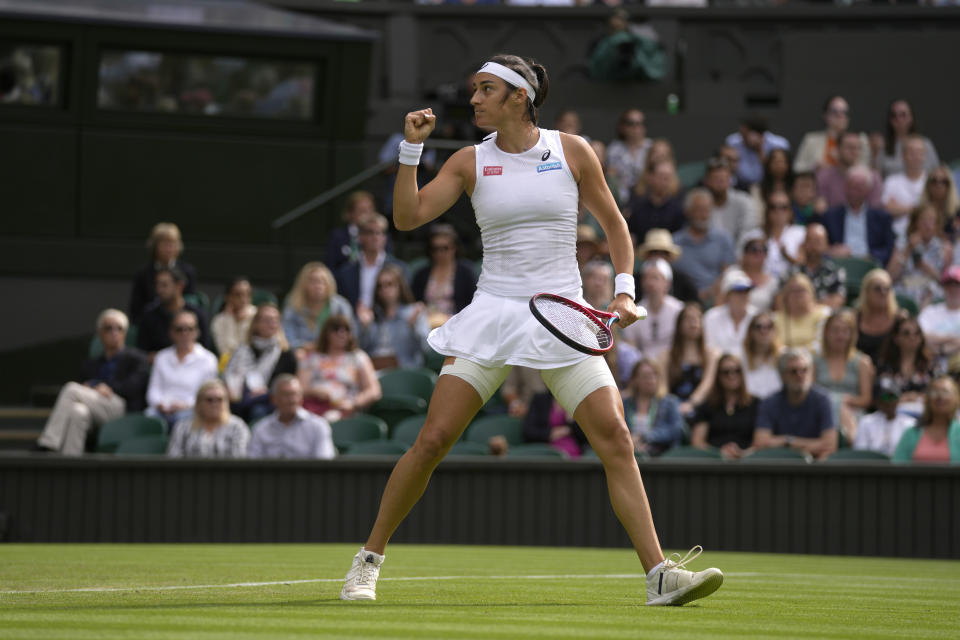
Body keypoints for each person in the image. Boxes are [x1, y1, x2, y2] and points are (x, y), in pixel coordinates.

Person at [340, 54, 723, 606]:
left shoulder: (572, 151)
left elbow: (615, 224)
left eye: (485, 89)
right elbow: (406, 218)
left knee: (615, 438)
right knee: (432, 440)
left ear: (519, 97)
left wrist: (624, 290)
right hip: (494, 312)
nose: (473, 99)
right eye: (474, 90)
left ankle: (659, 574)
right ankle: (368, 560)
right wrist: (411, 150)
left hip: (562, 316)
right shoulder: (469, 161)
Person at [35, 309, 149, 455]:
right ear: (100, 333)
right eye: (109, 328)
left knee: (71, 389)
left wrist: (106, 387)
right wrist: (94, 387)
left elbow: (133, 387)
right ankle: (70, 464)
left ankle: (48, 442)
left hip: (121, 407)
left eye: (119, 328)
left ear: (125, 333)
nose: (114, 332)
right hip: (95, 410)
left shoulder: (137, 358)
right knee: (78, 411)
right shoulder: (91, 363)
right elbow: (84, 386)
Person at [752, 348, 837, 460]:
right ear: (782, 376)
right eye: (793, 371)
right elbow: (760, 443)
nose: (800, 375)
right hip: (778, 465)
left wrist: (787, 441)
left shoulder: (823, 400)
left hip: (814, 467)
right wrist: (811, 445)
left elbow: (830, 446)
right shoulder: (769, 402)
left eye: (804, 370)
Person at [223, 303, 298, 423]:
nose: (272, 324)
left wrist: (267, 392)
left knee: (258, 411)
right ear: (256, 324)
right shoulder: (242, 350)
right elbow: (229, 375)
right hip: (238, 398)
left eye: (275, 320)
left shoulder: (286, 354)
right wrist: (233, 390)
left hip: (269, 403)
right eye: (267, 320)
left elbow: (288, 383)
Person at [299, 315, 381, 422]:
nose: (341, 334)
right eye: (336, 329)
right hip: (314, 408)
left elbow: (374, 391)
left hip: (345, 411)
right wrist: (314, 392)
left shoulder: (358, 357)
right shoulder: (312, 358)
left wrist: (353, 403)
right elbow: (300, 388)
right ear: (326, 333)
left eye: (346, 330)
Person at [145, 310, 219, 428]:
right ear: (171, 333)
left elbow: (207, 394)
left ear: (197, 332)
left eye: (189, 329)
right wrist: (161, 404)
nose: (185, 333)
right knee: (149, 416)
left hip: (191, 410)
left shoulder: (208, 359)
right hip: (162, 410)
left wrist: (185, 406)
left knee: (184, 420)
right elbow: (153, 390)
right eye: (179, 329)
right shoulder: (161, 357)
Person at [812, 310, 875, 443]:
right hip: (821, 413)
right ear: (826, 333)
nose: (840, 336)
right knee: (832, 402)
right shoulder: (815, 361)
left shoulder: (862, 362)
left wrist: (846, 401)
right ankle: (851, 440)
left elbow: (866, 399)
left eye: (845, 331)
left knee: (838, 403)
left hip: (853, 412)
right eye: (835, 331)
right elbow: (810, 394)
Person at [357, 264, 431, 370]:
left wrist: (414, 327)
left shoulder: (414, 312)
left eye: (389, 284)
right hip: (375, 372)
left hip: (405, 371)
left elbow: (426, 349)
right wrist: (364, 328)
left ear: (400, 286)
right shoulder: (371, 316)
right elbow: (360, 350)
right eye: (380, 286)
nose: (384, 289)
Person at [820, 166, 896, 268]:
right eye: (851, 187)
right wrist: (831, 251)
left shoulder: (881, 218)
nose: (854, 192)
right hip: (839, 265)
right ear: (845, 187)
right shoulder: (830, 216)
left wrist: (871, 256)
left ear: (868, 190)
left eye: (859, 188)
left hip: (870, 266)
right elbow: (820, 248)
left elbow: (888, 248)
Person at [247, 374, 336, 459]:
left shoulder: (318, 426)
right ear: (273, 399)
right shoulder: (261, 429)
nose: (292, 400)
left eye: (296, 394)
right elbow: (252, 465)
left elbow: (324, 464)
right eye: (286, 395)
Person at [672, 188, 736, 304]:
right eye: (699, 210)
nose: (703, 215)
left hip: (716, 297)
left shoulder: (723, 239)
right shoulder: (674, 243)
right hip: (682, 299)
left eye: (707, 210)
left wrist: (710, 292)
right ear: (688, 212)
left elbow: (728, 272)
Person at [690, 354, 758, 460]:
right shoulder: (707, 406)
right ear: (718, 376)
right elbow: (697, 442)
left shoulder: (756, 404)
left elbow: (762, 441)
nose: (732, 375)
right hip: (713, 462)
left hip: (749, 462)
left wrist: (743, 453)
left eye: (737, 371)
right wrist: (718, 453)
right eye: (726, 372)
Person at [335, 212, 406, 312]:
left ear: (385, 238)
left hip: (391, 323)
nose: (375, 237)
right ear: (360, 237)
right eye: (370, 232)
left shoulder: (400, 268)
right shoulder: (346, 271)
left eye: (379, 232)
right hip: (355, 322)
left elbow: (405, 301)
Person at [410, 224, 478, 329]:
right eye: (435, 248)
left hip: (457, 325)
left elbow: (473, 303)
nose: (440, 253)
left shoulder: (465, 272)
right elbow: (413, 301)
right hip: (426, 325)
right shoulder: (422, 274)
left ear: (454, 248)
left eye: (445, 248)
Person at [128, 222, 198, 324]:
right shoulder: (142, 274)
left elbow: (191, 302)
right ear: (155, 246)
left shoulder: (187, 271)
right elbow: (136, 309)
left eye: (172, 244)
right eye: (164, 244)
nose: (169, 249)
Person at [136, 266, 211, 358]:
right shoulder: (149, 316)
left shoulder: (198, 315)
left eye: (164, 285)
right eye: (157, 285)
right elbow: (141, 353)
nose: (159, 290)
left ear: (179, 286)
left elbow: (206, 349)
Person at [660, 302, 719, 416]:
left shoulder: (711, 355)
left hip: (702, 407)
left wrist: (691, 404)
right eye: (689, 318)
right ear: (679, 324)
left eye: (698, 318)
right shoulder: (666, 356)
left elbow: (707, 384)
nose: (694, 322)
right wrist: (672, 407)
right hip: (673, 408)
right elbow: (663, 387)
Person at [888, 204, 951, 308]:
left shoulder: (944, 248)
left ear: (937, 225)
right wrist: (908, 250)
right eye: (923, 220)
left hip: (931, 293)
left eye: (931, 220)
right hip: (906, 288)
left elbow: (947, 283)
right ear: (915, 223)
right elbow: (890, 277)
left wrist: (924, 266)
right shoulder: (902, 244)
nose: (927, 225)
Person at [282, 262, 355, 352]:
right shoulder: (293, 306)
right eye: (313, 281)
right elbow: (287, 339)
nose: (318, 286)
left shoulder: (341, 306)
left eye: (322, 281)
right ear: (303, 284)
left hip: (335, 354)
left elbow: (351, 335)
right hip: (303, 355)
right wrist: (304, 346)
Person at [167, 380, 249, 458]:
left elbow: (240, 459)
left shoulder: (237, 427)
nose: (214, 404)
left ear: (226, 402)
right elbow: (174, 458)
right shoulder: (182, 427)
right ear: (199, 403)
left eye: (219, 399)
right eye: (209, 400)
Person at [621, 257, 683, 360]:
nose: (649, 283)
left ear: (667, 283)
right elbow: (631, 347)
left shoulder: (679, 310)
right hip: (644, 366)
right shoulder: (634, 312)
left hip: (673, 364)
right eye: (646, 278)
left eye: (655, 278)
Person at [621, 359, 684, 457]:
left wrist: (644, 437)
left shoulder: (670, 402)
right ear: (635, 379)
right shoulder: (624, 403)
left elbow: (676, 430)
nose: (651, 380)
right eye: (646, 376)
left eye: (655, 375)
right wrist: (631, 442)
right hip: (628, 451)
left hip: (661, 454)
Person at [876, 315, 937, 413]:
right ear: (896, 338)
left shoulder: (931, 365)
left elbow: (938, 393)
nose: (912, 337)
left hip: (924, 415)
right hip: (892, 414)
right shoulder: (886, 365)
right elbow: (879, 396)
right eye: (906, 333)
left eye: (917, 333)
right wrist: (899, 399)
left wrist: (917, 398)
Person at [892, 376, 960, 463]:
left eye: (945, 392)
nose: (940, 397)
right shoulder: (911, 433)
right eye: (934, 392)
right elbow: (897, 466)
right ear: (927, 399)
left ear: (956, 398)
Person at [794, 96, 870, 174]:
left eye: (844, 112)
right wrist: (814, 167)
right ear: (825, 115)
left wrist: (843, 162)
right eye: (835, 112)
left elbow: (867, 169)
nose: (840, 116)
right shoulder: (811, 140)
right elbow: (797, 168)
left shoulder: (861, 140)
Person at [782, 223, 847, 309]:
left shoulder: (836, 272)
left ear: (826, 245)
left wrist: (807, 309)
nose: (813, 246)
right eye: (810, 241)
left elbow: (838, 300)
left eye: (818, 241)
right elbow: (780, 300)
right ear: (803, 244)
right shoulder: (791, 272)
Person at [873, 99, 940, 179]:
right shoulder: (884, 147)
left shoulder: (925, 144)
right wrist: (874, 154)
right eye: (894, 115)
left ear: (911, 118)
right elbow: (877, 178)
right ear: (890, 120)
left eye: (903, 115)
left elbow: (936, 173)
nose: (899, 119)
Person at [625, 158, 685, 244]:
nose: (665, 181)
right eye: (661, 176)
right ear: (650, 177)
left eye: (668, 177)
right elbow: (631, 235)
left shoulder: (678, 209)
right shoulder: (638, 207)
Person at [816, 131, 882, 209]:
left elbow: (875, 210)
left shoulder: (873, 177)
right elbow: (821, 208)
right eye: (849, 147)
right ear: (837, 149)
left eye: (858, 148)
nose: (854, 152)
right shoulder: (824, 176)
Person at [854, 376, 915, 458]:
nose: (889, 402)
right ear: (877, 401)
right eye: (885, 398)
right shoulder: (866, 422)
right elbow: (860, 453)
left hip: (900, 468)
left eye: (893, 397)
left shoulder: (910, 424)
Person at [702, 157, 759, 245]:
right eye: (715, 179)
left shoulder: (745, 202)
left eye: (723, 179)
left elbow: (747, 235)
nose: (720, 183)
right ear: (707, 181)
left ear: (730, 181)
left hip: (738, 255)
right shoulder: (700, 205)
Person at [882, 135, 931, 237]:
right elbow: (887, 210)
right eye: (911, 152)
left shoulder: (932, 181)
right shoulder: (891, 181)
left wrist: (900, 208)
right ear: (903, 156)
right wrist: (918, 209)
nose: (915, 156)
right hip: (895, 237)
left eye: (919, 152)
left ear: (925, 156)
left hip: (926, 238)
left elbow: (934, 212)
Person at [703, 269, 756, 361]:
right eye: (739, 291)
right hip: (720, 370)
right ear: (727, 295)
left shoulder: (757, 317)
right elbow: (709, 349)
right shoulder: (712, 317)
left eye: (747, 290)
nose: (744, 295)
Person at [634, 228, 698, 303]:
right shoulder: (634, 282)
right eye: (653, 252)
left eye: (663, 253)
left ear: (669, 257)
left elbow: (693, 305)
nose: (658, 256)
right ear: (647, 256)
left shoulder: (682, 281)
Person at [724, 115, 790, 187]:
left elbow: (777, 172)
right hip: (739, 186)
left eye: (744, 134)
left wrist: (759, 149)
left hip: (768, 187)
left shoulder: (779, 144)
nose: (741, 137)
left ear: (760, 134)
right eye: (741, 133)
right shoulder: (733, 142)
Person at [854, 269, 900, 365]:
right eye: (877, 288)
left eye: (887, 288)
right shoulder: (853, 319)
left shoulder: (900, 320)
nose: (883, 292)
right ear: (866, 292)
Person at [606, 108, 651, 204]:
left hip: (647, 198)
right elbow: (611, 175)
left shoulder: (651, 148)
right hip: (620, 199)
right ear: (622, 127)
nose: (635, 128)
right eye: (631, 123)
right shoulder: (614, 149)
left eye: (639, 123)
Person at [774, 273, 830, 350]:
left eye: (802, 290)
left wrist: (799, 356)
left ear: (811, 293)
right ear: (786, 296)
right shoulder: (775, 318)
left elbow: (820, 344)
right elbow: (774, 346)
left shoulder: (823, 314)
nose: (797, 294)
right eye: (793, 291)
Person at [324, 190, 377, 271]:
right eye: (362, 211)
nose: (367, 215)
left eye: (369, 210)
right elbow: (330, 268)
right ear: (350, 213)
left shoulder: (380, 236)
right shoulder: (337, 237)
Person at [761, 188, 805, 281]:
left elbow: (805, 264)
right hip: (763, 284)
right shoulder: (756, 235)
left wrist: (787, 256)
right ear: (767, 211)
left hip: (791, 284)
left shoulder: (801, 233)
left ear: (790, 211)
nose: (778, 211)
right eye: (773, 207)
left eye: (783, 207)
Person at [917, 265, 960, 359]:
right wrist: (954, 340)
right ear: (943, 288)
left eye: (957, 285)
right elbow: (920, 337)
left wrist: (939, 345)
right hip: (932, 362)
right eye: (949, 285)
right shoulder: (930, 312)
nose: (953, 289)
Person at [210, 277, 256, 356]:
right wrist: (230, 319)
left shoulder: (257, 316)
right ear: (227, 297)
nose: (243, 299)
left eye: (247, 294)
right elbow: (225, 351)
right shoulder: (219, 321)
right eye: (238, 295)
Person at [733, 230, 778, 311]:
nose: (759, 254)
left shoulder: (773, 282)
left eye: (763, 250)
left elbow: (777, 311)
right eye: (754, 250)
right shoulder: (733, 274)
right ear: (745, 254)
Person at [742, 311, 782, 400]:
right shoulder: (741, 358)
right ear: (750, 331)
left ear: (775, 331)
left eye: (769, 327)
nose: (763, 331)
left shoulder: (783, 356)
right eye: (758, 327)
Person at [751, 147, 794, 222]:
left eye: (782, 162)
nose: (779, 165)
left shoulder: (795, 186)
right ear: (768, 164)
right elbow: (757, 215)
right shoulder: (757, 189)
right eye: (775, 162)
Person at [919, 166, 960, 241]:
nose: (939, 185)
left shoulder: (957, 213)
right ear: (928, 185)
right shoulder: (920, 212)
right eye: (934, 181)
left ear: (949, 185)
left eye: (944, 181)